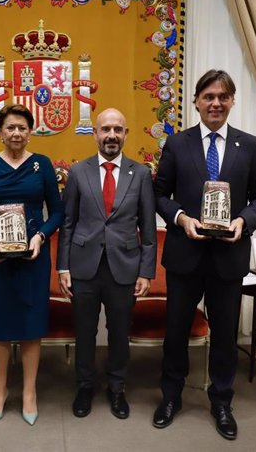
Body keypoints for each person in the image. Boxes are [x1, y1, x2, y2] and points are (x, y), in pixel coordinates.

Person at [152, 69, 256, 439]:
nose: (215, 103)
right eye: (208, 97)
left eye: (222, 96)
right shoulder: (176, 143)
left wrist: (243, 221)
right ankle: (170, 396)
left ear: (232, 100)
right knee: (175, 332)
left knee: (223, 335)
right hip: (185, 254)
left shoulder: (249, 145)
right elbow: (159, 194)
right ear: (196, 102)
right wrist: (181, 218)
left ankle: (221, 401)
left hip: (228, 257)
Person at [0, 104, 63, 426]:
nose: (17, 133)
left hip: (33, 257)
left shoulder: (42, 165)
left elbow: (58, 212)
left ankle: (29, 393)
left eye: (22, 127)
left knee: (30, 325)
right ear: (0, 130)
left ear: (31, 130)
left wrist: (41, 237)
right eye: (10, 127)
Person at [57, 108, 156, 420]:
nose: (111, 135)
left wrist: (146, 271)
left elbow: (149, 228)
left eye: (117, 129)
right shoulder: (78, 171)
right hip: (84, 266)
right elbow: (68, 223)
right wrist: (63, 267)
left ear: (126, 134)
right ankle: (85, 385)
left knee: (118, 332)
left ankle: (117, 387)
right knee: (84, 331)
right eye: (105, 129)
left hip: (124, 267)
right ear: (95, 133)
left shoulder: (140, 173)